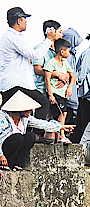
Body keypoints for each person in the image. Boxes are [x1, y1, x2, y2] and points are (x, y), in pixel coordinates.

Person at [0, 8, 54, 137]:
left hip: (13, 83)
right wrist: (49, 39)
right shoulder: (13, 37)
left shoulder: (12, 36)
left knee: (17, 113)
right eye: (24, 19)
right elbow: (36, 54)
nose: (26, 22)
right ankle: (35, 135)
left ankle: (22, 137)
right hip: (15, 84)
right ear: (19, 21)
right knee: (42, 103)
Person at [0, 90, 66, 171]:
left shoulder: (25, 118)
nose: (30, 111)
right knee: (18, 137)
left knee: (30, 136)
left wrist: (61, 127)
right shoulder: (3, 118)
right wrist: (1, 155)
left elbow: (41, 124)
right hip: (3, 147)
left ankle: (17, 164)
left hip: (15, 146)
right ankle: (4, 164)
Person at [42, 38, 73, 142]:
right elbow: (47, 78)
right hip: (55, 93)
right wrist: (50, 95)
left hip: (63, 93)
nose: (69, 54)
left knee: (63, 114)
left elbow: (72, 75)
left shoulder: (65, 62)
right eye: (68, 51)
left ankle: (58, 136)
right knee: (62, 113)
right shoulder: (51, 63)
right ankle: (62, 135)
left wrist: (69, 87)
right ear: (62, 51)